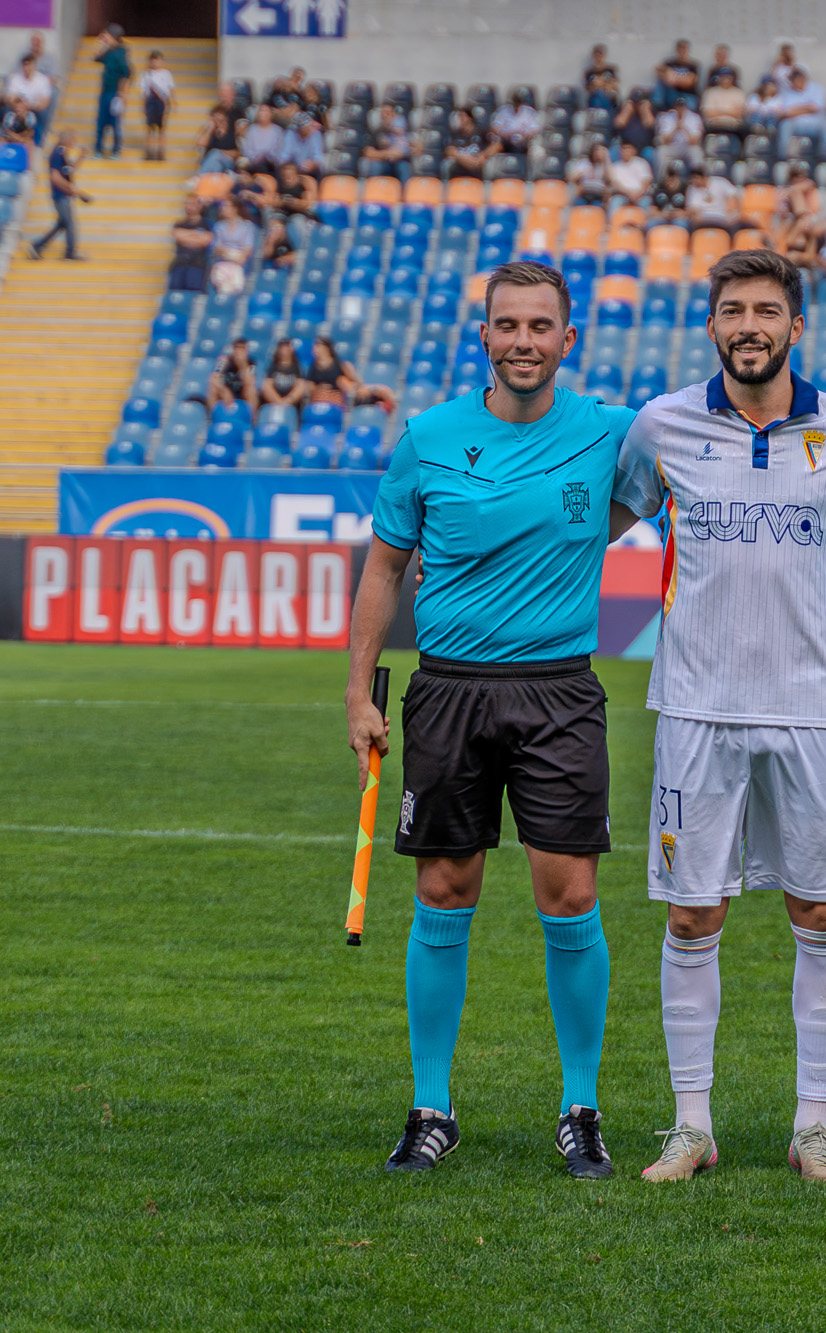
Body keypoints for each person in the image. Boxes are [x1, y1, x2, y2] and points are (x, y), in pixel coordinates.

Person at [612, 248, 826, 1185]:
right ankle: (690, 1125)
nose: (750, 325)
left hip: (812, 709)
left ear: (796, 326)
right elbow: (592, 528)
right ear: (712, 325)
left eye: (767, 310)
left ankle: (812, 1126)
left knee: (820, 910)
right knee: (692, 913)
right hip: (693, 707)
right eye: (734, 310)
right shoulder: (662, 426)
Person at [347, 261, 639, 1178]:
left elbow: (665, 487)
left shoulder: (612, 431)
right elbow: (385, 567)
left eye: (540, 326)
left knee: (571, 895)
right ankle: (431, 1106)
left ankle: (581, 1107)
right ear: (484, 336)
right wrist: (358, 691)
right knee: (443, 891)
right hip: (448, 692)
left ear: (568, 338)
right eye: (507, 325)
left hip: (559, 693)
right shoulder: (428, 436)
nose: (523, 340)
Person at [28, 131, 88, 261]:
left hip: (63, 195)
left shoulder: (63, 154)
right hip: (60, 195)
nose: (74, 143)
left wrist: (81, 156)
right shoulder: (57, 154)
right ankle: (70, 252)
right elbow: (55, 177)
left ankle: (37, 246)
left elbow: (70, 170)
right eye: (73, 140)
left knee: (62, 223)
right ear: (66, 140)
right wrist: (71, 189)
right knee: (69, 223)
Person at [775, 67, 826, 161]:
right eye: (793, 81)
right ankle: (782, 157)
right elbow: (786, 113)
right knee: (784, 125)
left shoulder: (816, 88)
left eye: (796, 81)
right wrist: (807, 107)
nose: (794, 84)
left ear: (803, 79)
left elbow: (816, 108)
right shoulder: (787, 92)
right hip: (795, 124)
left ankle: (824, 157)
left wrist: (796, 110)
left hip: (815, 124)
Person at [92, 25, 129, 159]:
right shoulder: (108, 52)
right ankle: (98, 149)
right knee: (101, 121)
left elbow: (125, 74)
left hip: (114, 93)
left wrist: (122, 93)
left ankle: (116, 149)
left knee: (115, 122)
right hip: (105, 91)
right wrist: (102, 44)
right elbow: (95, 57)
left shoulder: (120, 53)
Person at [6, 52, 53, 146]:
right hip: (18, 107)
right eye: (25, 65)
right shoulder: (15, 78)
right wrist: (20, 104)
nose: (27, 68)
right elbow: (10, 97)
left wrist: (30, 106)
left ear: (34, 65)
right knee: (5, 110)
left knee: (44, 113)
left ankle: (39, 141)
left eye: (29, 65)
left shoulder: (42, 80)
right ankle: (7, 137)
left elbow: (45, 102)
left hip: (35, 107)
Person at [167, 197, 211, 291]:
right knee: (176, 291)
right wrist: (196, 234)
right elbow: (178, 236)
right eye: (187, 203)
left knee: (194, 292)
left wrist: (186, 236)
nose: (188, 206)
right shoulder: (180, 223)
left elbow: (205, 241)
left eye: (192, 204)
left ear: (199, 206)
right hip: (180, 262)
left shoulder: (206, 224)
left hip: (197, 264)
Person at [204, 336, 259, 410]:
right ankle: (213, 414)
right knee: (212, 389)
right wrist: (224, 390)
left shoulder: (251, 363)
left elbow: (250, 382)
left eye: (242, 348)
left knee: (251, 391)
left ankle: (251, 416)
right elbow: (213, 379)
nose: (238, 351)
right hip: (226, 391)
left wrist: (242, 365)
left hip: (242, 392)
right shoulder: (223, 361)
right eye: (236, 348)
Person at [138, 51, 175, 161]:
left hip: (162, 102)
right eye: (153, 61)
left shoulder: (166, 74)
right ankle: (149, 151)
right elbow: (143, 91)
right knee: (150, 128)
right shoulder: (146, 75)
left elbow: (170, 88)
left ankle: (161, 151)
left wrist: (173, 102)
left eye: (157, 60)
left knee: (161, 129)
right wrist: (143, 105)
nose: (155, 63)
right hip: (151, 102)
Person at [260, 338, 309, 410]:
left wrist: (287, 401)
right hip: (274, 401)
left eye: (287, 347)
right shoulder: (272, 366)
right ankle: (280, 403)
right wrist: (279, 401)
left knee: (302, 385)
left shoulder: (298, 367)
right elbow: (267, 384)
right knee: (265, 384)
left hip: (291, 403)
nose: (284, 350)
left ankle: (285, 404)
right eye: (282, 348)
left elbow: (300, 385)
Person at [446, 108, 495, 179]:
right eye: (459, 117)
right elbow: (449, 150)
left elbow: (496, 145)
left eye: (462, 117)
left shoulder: (481, 131)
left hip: (478, 164)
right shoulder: (455, 134)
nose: (460, 120)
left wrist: (484, 155)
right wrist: (463, 158)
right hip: (460, 165)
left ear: (470, 118)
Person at [607, 140, 654, 209]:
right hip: (622, 195)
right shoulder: (616, 166)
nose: (625, 151)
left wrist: (637, 194)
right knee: (614, 202)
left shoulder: (642, 163)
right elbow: (616, 184)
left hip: (641, 195)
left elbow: (646, 182)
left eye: (628, 149)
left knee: (646, 202)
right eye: (623, 149)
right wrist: (628, 193)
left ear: (634, 151)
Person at [491, 89, 540, 154]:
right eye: (515, 102)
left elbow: (534, 130)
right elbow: (495, 128)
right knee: (494, 147)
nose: (516, 104)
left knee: (536, 150)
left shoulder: (529, 111)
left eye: (518, 102)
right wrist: (506, 134)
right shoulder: (504, 110)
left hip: (524, 142)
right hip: (506, 141)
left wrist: (524, 134)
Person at [240, 103, 284, 175]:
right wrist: (257, 157)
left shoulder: (277, 130)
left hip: (271, 164)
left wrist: (269, 157)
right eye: (261, 110)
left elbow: (280, 151)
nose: (263, 113)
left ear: (271, 114)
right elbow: (247, 151)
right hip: (255, 163)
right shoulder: (251, 130)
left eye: (266, 111)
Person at [700, 68, 746, 134]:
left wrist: (719, 111)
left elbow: (738, 114)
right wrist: (729, 111)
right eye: (723, 77)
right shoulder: (710, 92)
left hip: (733, 126)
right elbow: (708, 113)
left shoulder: (739, 93)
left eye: (728, 78)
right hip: (714, 125)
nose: (725, 80)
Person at [279, 111, 324, 177]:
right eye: (306, 128)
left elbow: (318, 156)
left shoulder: (316, 134)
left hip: (311, 169)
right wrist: (289, 166)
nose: (309, 129)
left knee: (318, 171)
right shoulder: (290, 134)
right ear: (298, 129)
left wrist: (313, 164)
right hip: (294, 167)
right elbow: (284, 156)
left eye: (310, 126)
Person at [196, 107, 240, 175]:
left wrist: (220, 152)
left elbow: (237, 153)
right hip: (213, 163)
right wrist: (210, 129)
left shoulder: (232, 132)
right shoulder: (208, 131)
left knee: (216, 153)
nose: (218, 122)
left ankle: (199, 177)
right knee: (217, 165)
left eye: (220, 120)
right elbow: (200, 144)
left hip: (228, 162)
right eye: (215, 119)